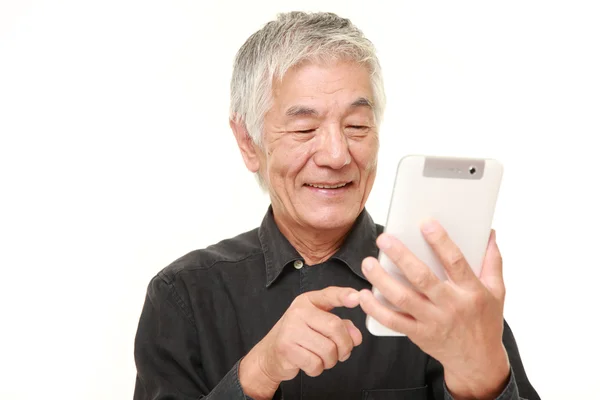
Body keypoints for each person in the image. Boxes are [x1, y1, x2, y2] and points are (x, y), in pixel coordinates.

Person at [133, 11, 540, 400]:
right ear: (248, 143)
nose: (336, 155)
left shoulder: (442, 290)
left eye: (357, 126)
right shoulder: (183, 296)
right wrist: (260, 370)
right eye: (305, 128)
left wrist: (484, 376)